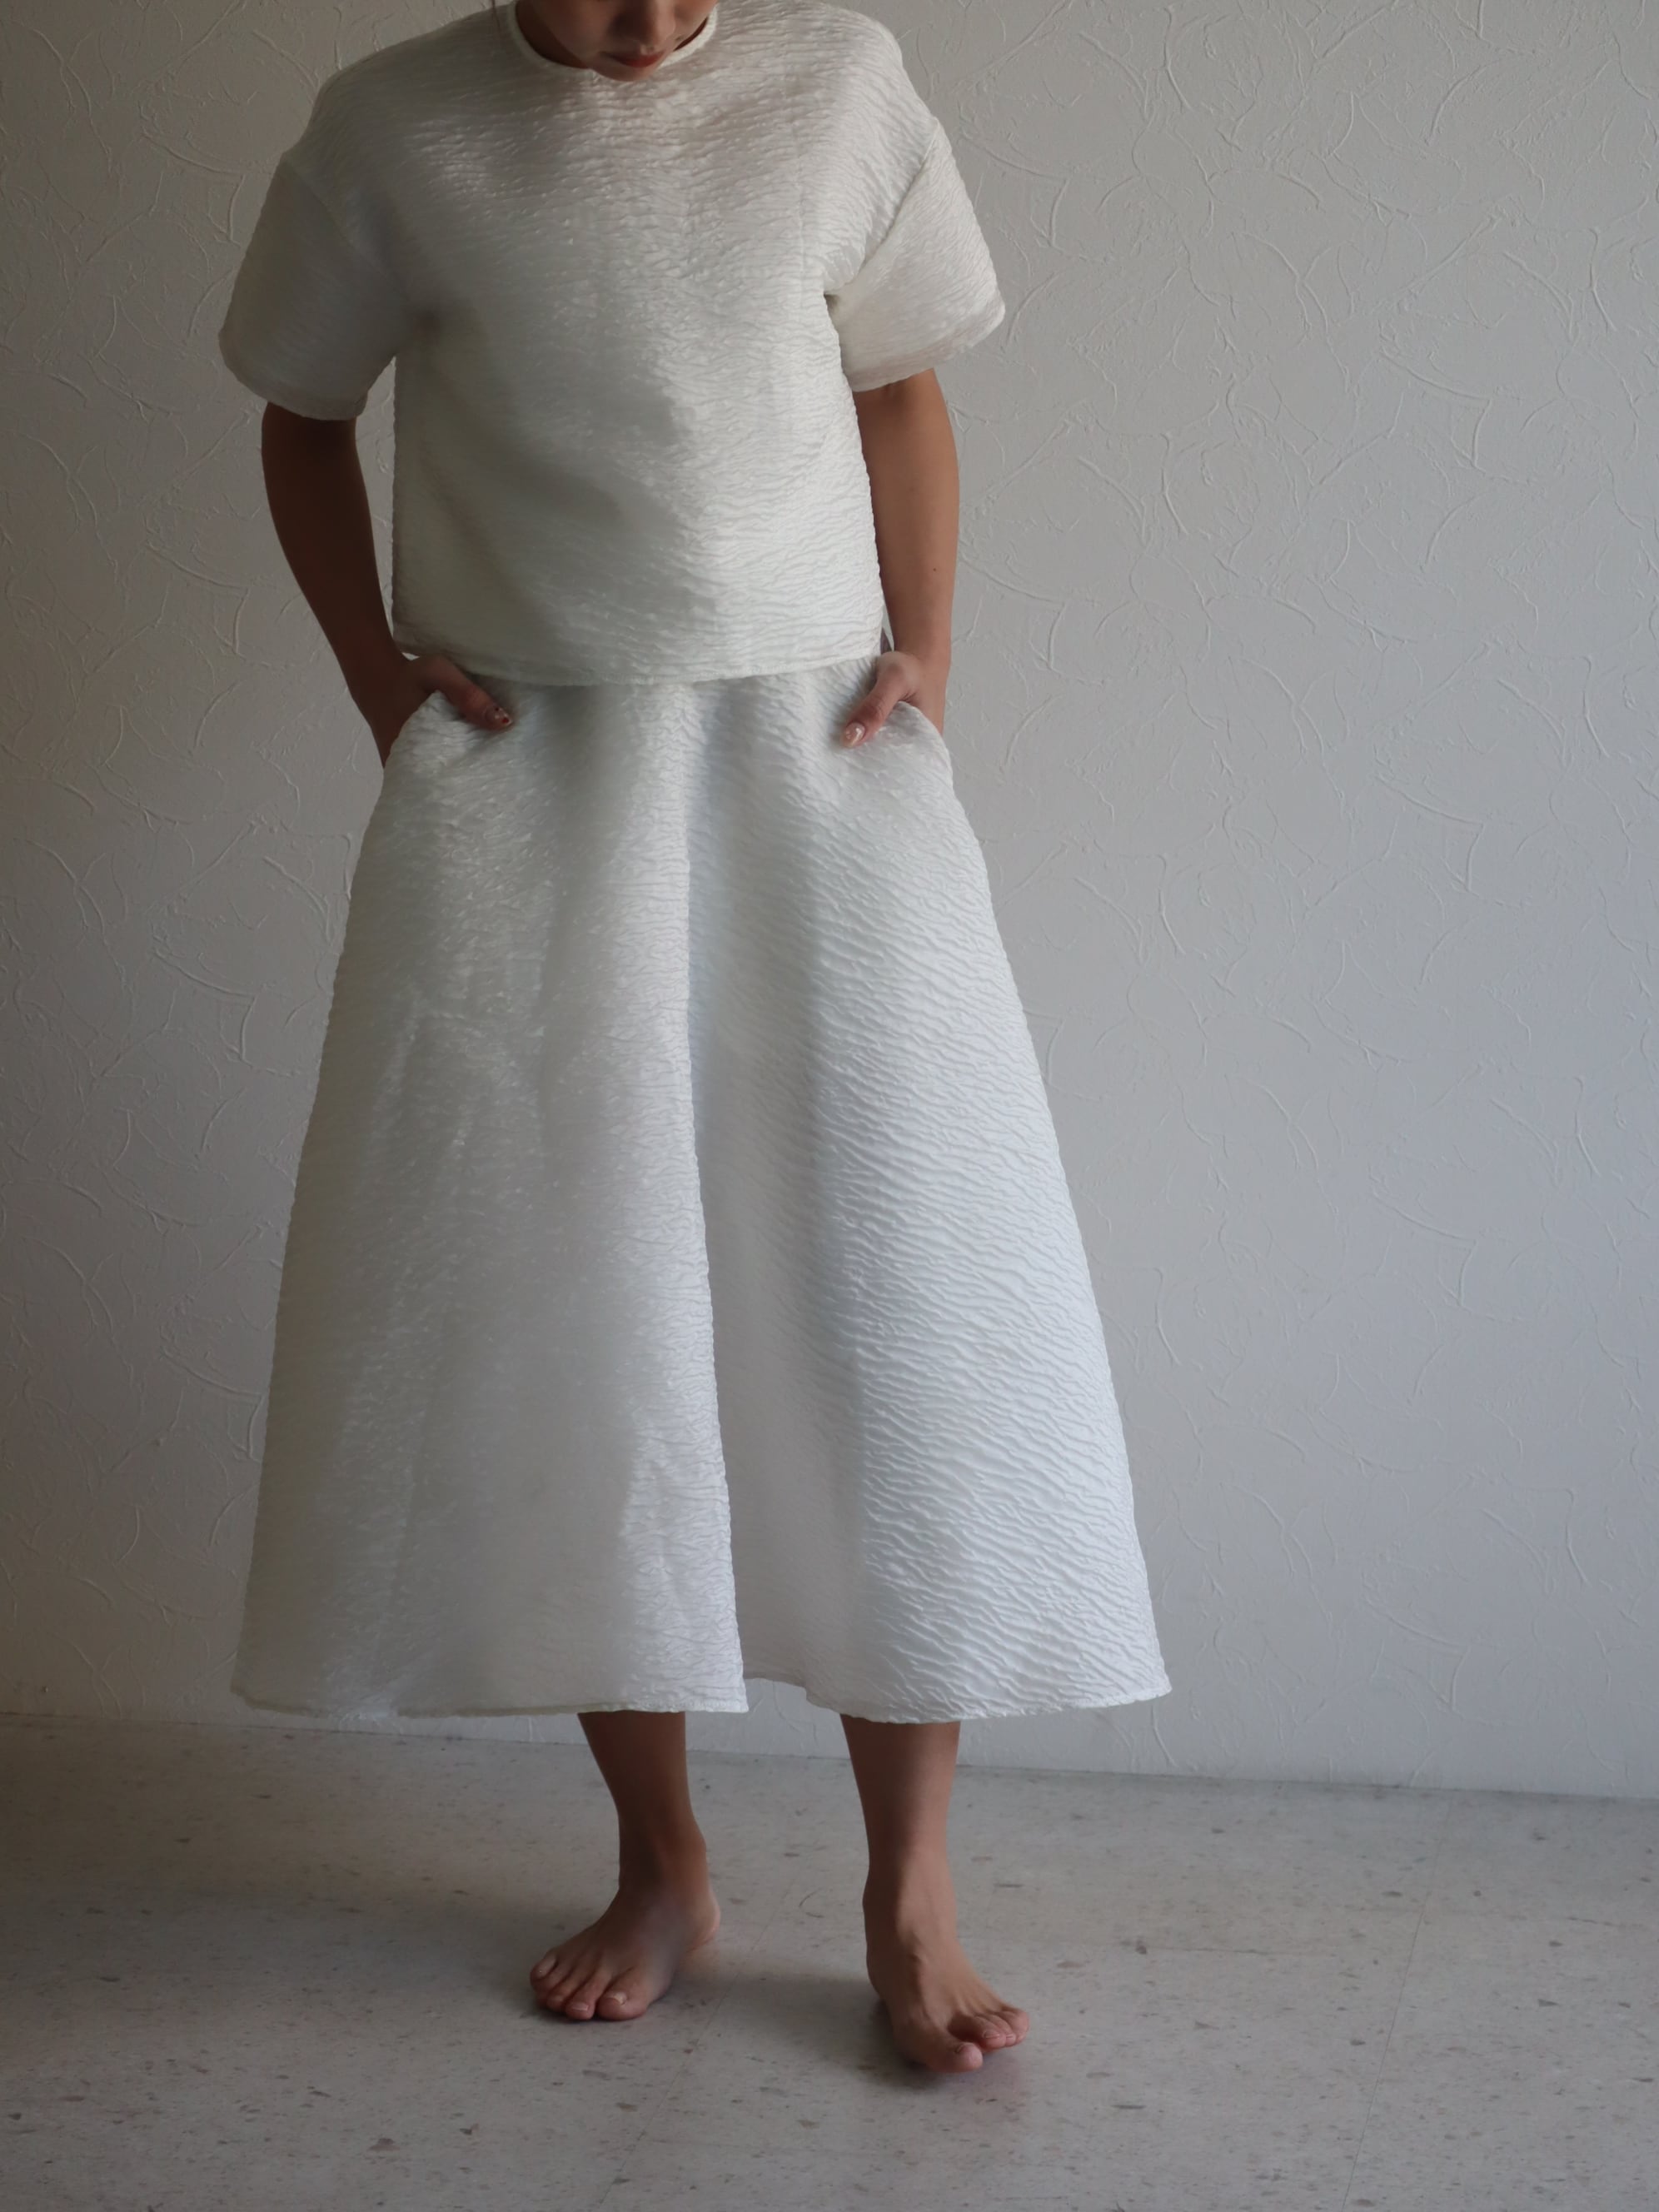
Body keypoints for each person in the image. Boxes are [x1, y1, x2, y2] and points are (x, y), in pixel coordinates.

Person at [216, 0, 1172, 2075]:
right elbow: (298, 414)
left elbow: (898, 384)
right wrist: (382, 680)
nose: (645, 23)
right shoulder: (394, 130)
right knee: (589, 1308)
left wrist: (931, 651)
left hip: (815, 765)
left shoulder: (837, 84)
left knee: (888, 1294)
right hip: (537, 781)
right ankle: (662, 1857)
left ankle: (910, 1885)